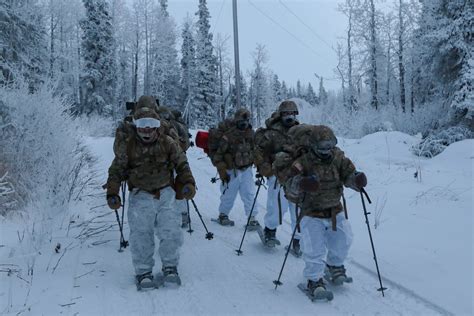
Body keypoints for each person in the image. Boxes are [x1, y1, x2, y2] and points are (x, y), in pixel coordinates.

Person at [105, 96, 196, 289]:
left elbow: (181, 163)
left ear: (157, 125)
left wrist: (187, 182)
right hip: (140, 194)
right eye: (142, 125)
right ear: (136, 125)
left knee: (171, 231)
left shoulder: (168, 142)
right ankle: (143, 271)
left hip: (166, 193)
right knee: (141, 234)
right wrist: (113, 192)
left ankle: (170, 267)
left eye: (151, 124)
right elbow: (116, 170)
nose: (147, 130)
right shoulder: (129, 146)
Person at [274, 124, 367, 300]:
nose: (326, 150)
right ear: (314, 145)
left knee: (344, 239)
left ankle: (334, 266)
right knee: (313, 248)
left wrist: (357, 180)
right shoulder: (303, 162)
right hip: (311, 212)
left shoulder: (338, 158)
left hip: (334, 210)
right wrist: (302, 184)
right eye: (322, 146)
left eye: (330, 145)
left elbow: (348, 174)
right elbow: (289, 186)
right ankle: (314, 280)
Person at [254, 100, 301, 250]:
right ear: (281, 115)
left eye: (292, 113)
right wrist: (264, 166)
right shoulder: (272, 132)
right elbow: (259, 151)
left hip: (297, 176)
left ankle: (298, 240)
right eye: (286, 113)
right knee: (277, 207)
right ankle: (270, 231)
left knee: (298, 209)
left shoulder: (300, 131)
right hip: (276, 174)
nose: (289, 117)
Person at [211, 108, 260, 229]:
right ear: (236, 120)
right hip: (231, 170)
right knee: (229, 194)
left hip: (246, 170)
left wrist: (260, 165)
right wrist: (222, 171)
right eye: (241, 120)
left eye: (246, 120)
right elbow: (218, 155)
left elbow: (256, 150)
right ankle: (223, 215)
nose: (244, 123)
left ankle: (252, 218)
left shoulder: (251, 134)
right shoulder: (228, 136)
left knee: (249, 193)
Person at [156, 106, 193, 228]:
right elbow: (185, 144)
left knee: (162, 188)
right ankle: (183, 214)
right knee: (180, 187)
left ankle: (159, 215)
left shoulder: (167, 127)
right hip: (178, 160)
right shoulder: (177, 126)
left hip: (169, 162)